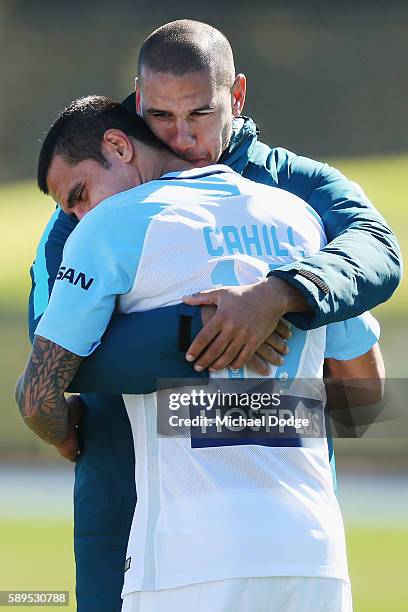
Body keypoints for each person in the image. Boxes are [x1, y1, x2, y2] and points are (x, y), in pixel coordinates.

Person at [27, 20, 393, 610]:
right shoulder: (292, 219)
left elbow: (379, 252)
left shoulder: (294, 194)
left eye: (199, 115)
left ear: (237, 97)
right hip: (162, 518)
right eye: (161, 117)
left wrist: (275, 299)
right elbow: (55, 362)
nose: (180, 138)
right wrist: (216, 343)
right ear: (137, 105)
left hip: (196, 547)